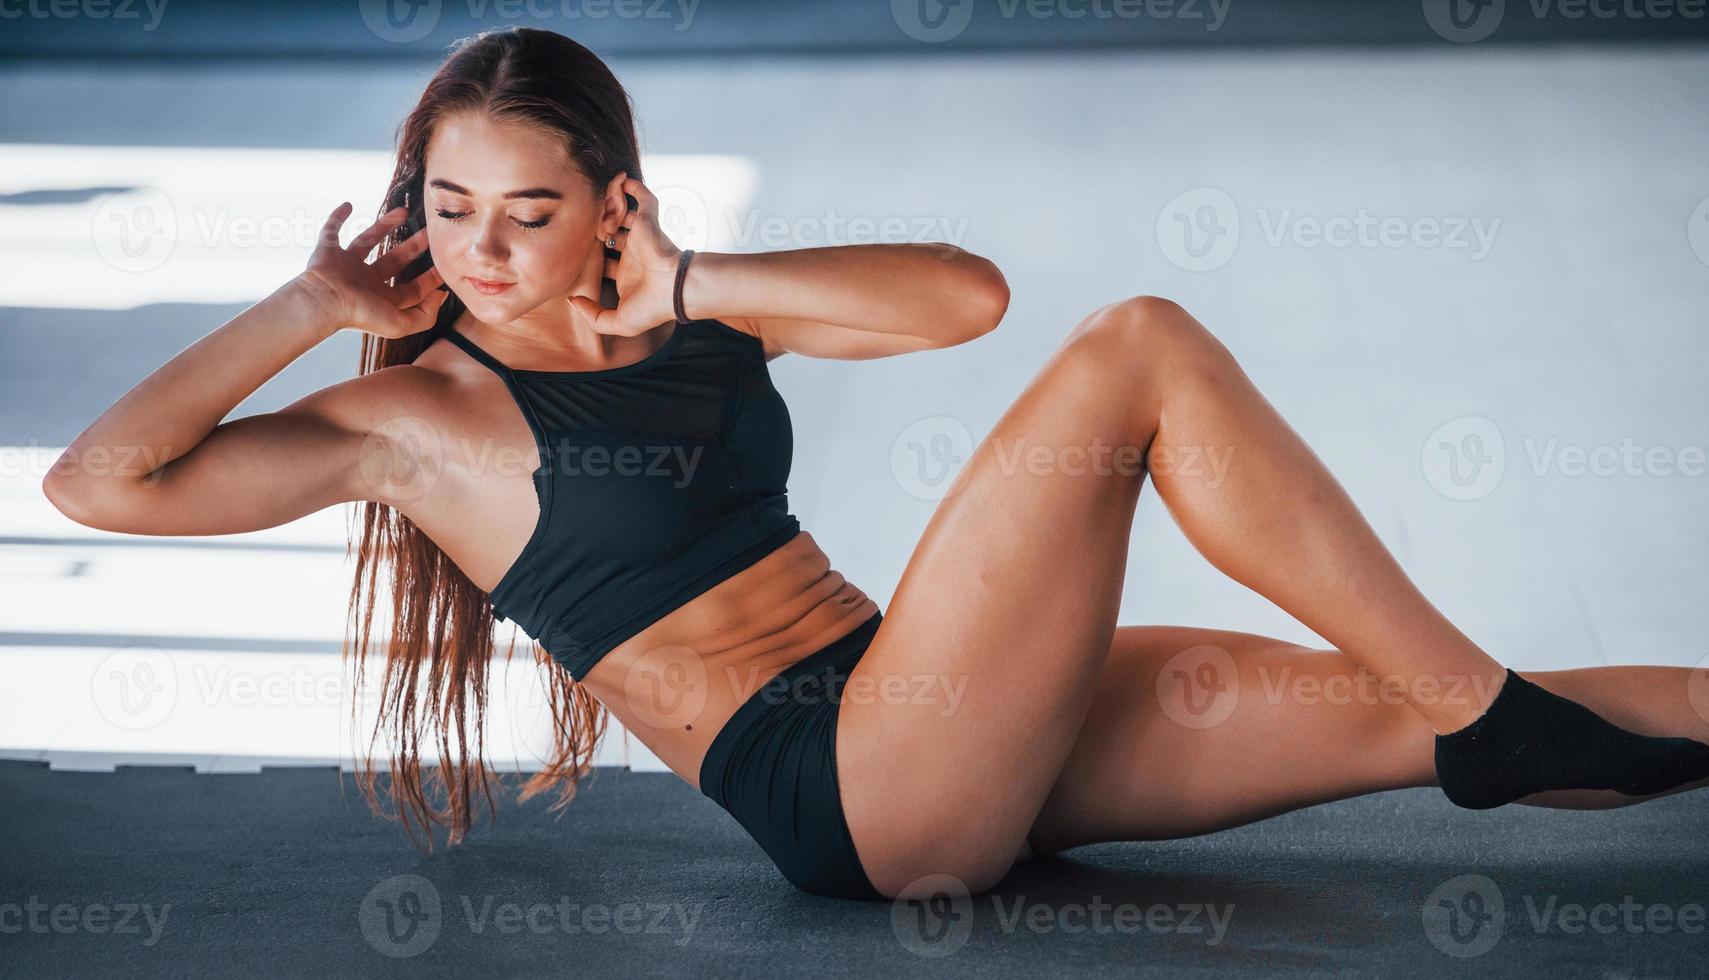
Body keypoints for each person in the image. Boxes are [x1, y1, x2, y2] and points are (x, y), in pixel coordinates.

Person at [43, 26, 1709, 903]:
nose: (484, 251)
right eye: (454, 209)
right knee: (1139, 345)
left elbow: (961, 300)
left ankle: (1489, 718)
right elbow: (98, 486)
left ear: (612, 198)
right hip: (850, 785)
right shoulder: (417, 422)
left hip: (937, 710)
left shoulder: (687, 319)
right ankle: (1482, 711)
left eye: (530, 209)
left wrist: (689, 283)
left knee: (1439, 724)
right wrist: (304, 305)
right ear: (414, 207)